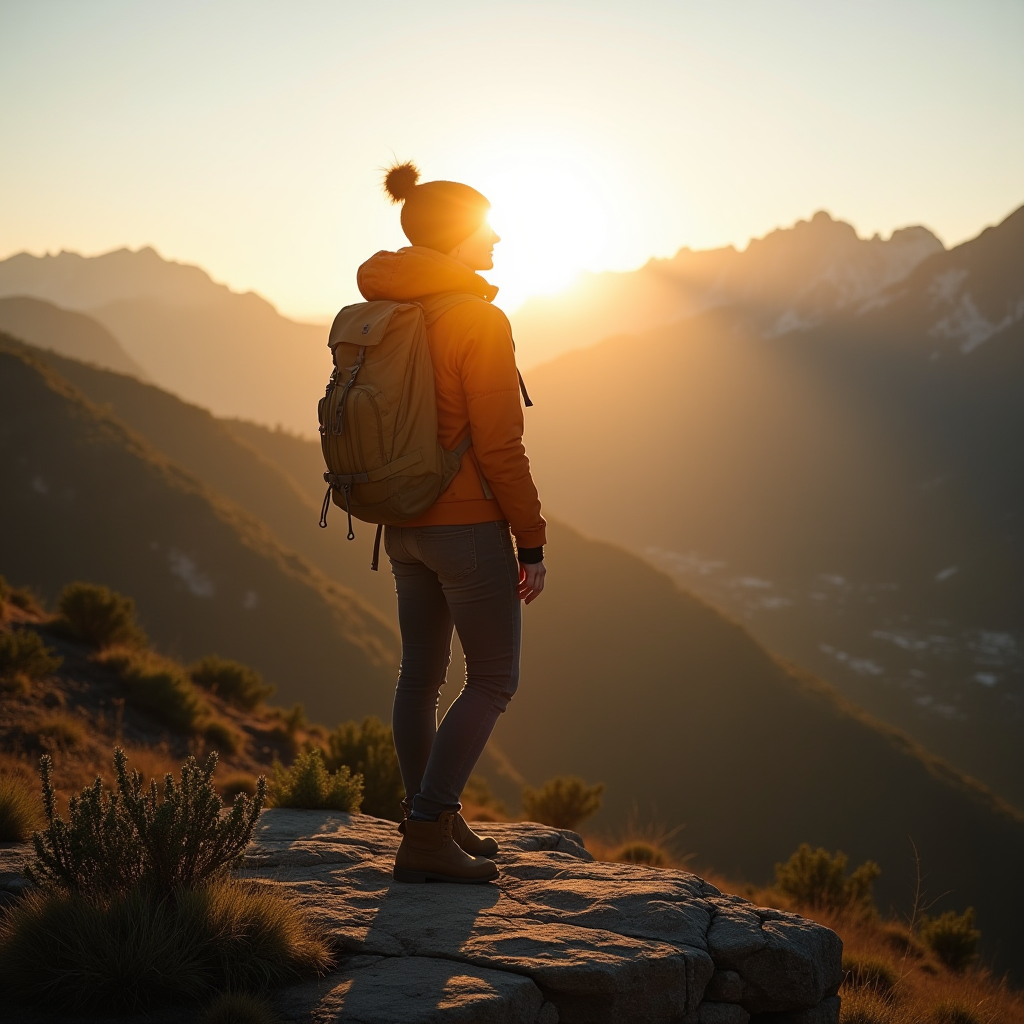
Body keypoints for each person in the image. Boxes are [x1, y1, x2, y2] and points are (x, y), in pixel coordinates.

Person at [355, 161, 546, 884]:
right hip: (466, 527)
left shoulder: (386, 309)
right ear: (456, 236)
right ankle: (428, 830)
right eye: (486, 224)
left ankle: (429, 813)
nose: (496, 234)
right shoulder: (477, 318)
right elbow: (500, 445)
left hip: (400, 523)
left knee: (420, 676)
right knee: (493, 678)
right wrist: (532, 539)